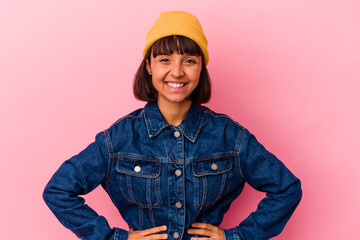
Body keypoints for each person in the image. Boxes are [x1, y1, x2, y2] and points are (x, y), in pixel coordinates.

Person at [43, 10, 302, 240]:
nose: (177, 72)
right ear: (148, 66)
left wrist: (237, 237)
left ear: (201, 68)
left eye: (189, 60)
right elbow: (58, 190)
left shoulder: (229, 137)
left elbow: (286, 189)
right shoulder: (118, 139)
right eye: (164, 59)